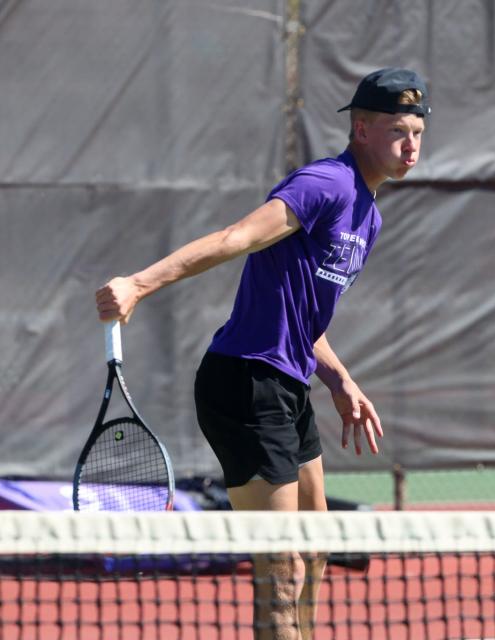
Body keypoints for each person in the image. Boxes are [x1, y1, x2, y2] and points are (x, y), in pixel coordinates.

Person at [95, 67, 429, 640]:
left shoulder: (368, 216)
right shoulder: (324, 184)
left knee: (317, 548)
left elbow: (304, 317)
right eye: (399, 130)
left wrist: (339, 379)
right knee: (281, 565)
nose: (411, 145)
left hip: (289, 384)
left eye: (419, 134)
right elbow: (237, 238)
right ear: (362, 128)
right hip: (245, 384)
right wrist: (139, 285)